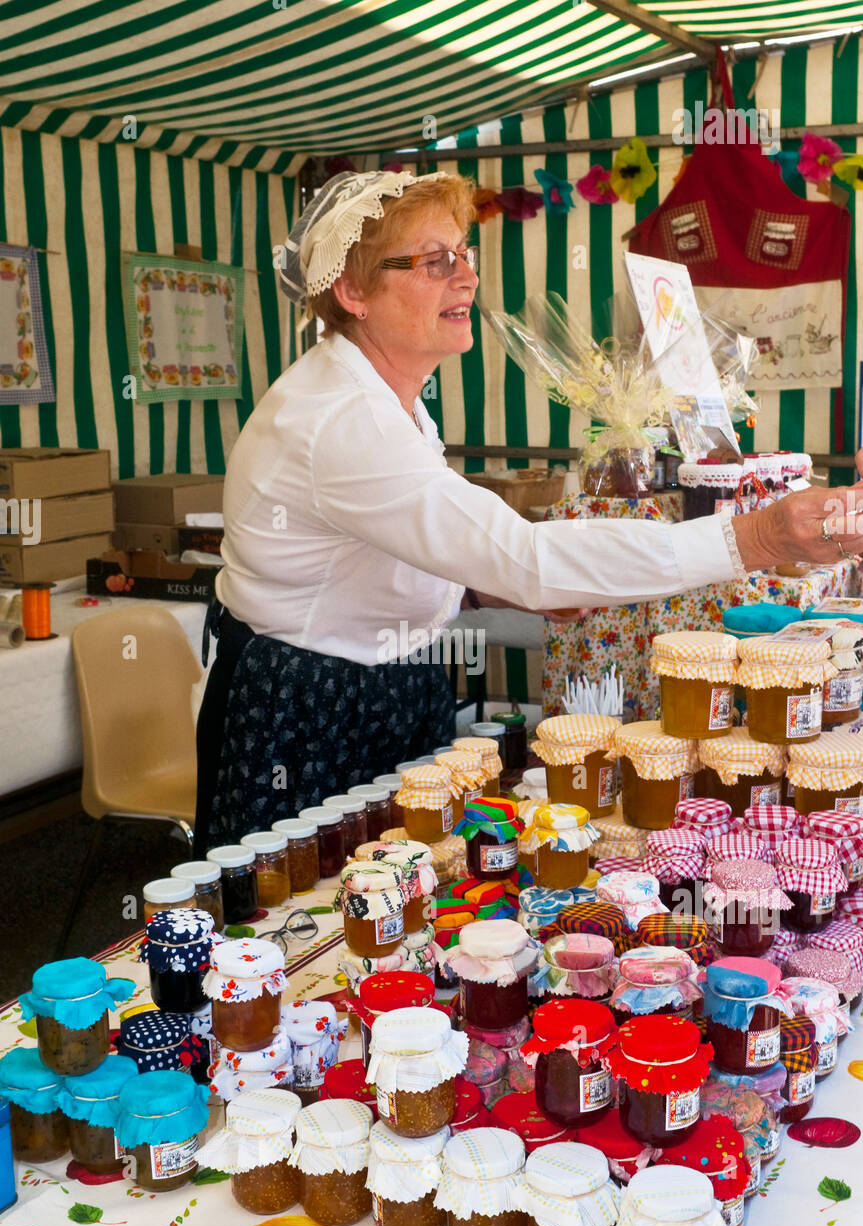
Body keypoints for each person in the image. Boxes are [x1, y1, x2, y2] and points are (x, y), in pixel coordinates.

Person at [193, 168, 863, 853]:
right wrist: (758, 534)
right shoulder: (339, 418)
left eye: (463, 253)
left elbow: (410, 547)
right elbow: (529, 562)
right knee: (301, 917)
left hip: (385, 681)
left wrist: (484, 582)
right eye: (433, 262)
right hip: (312, 706)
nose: (464, 277)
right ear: (352, 291)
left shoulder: (387, 396)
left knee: (402, 889)